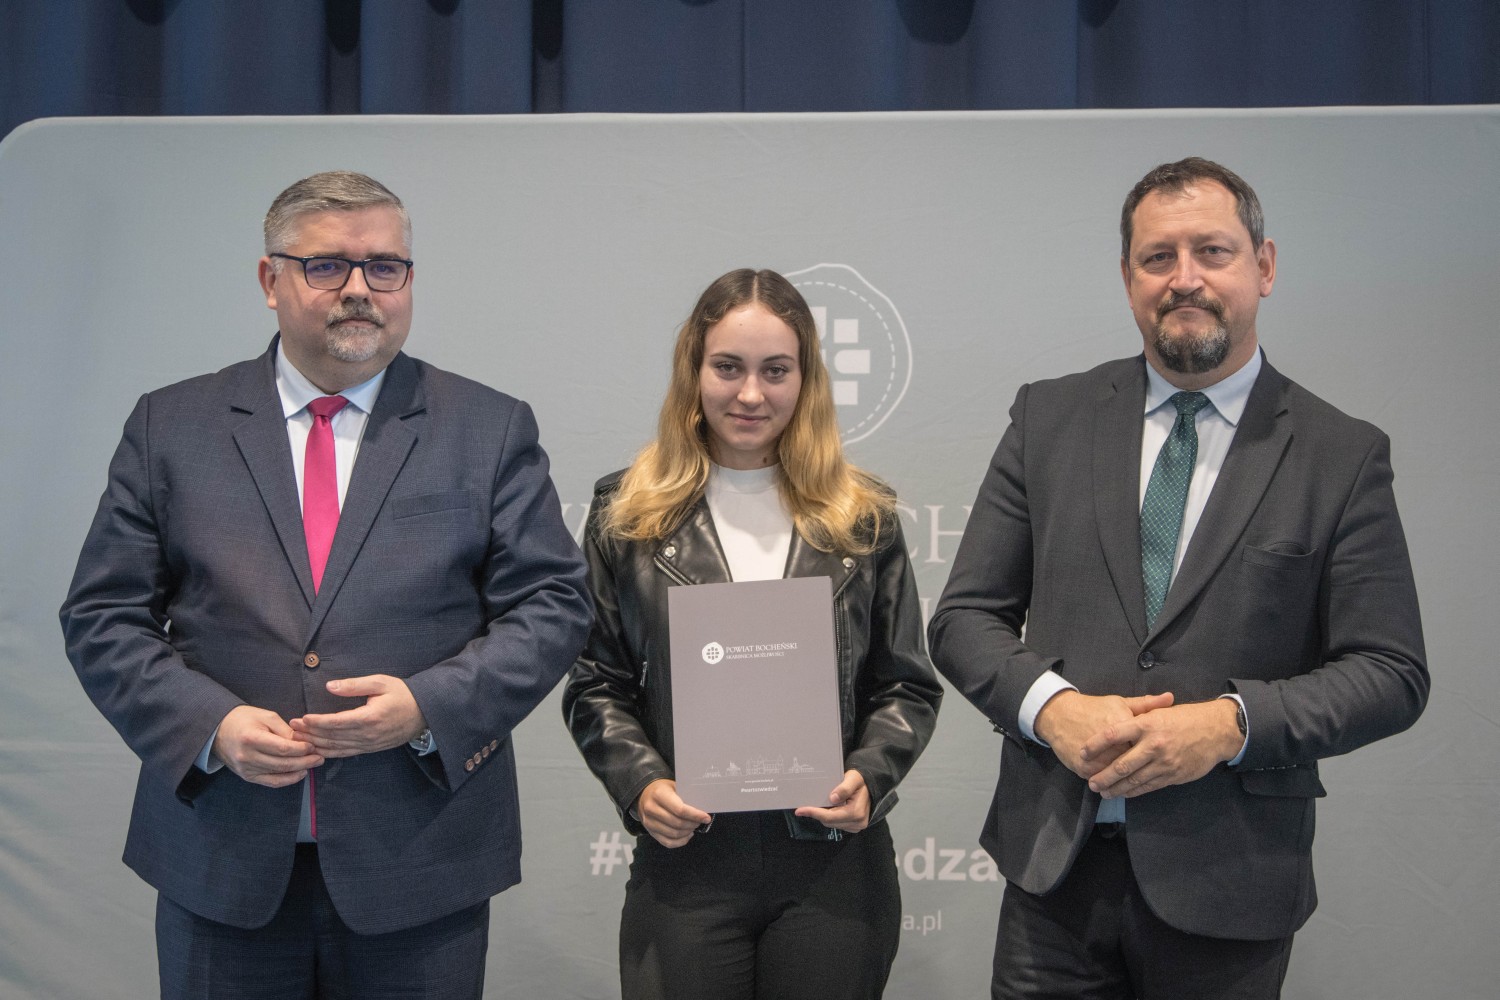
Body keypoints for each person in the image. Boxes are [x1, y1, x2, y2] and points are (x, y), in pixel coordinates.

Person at [59, 170, 592, 999]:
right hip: (222, 860)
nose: (359, 289)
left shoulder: (487, 427)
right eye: (327, 266)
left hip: (418, 865)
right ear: (270, 279)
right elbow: (103, 616)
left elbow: (553, 605)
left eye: (385, 266)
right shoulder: (172, 426)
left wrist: (428, 707)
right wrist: (211, 724)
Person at [928, 157, 1428, 999]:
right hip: (1053, 879)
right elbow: (964, 619)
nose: (1184, 278)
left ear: (1264, 266)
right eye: (1157, 257)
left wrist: (1230, 725)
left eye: (1212, 252)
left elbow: (1391, 672)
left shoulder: (1340, 454)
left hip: (1229, 885)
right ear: (1128, 276)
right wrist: (1054, 709)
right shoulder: (1047, 418)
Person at [563, 268, 942, 1000]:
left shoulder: (863, 517)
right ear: (693, 371)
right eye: (728, 367)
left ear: (806, 379)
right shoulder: (626, 513)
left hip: (833, 862)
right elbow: (594, 682)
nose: (750, 394)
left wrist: (870, 775)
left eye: (775, 370)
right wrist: (641, 784)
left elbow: (905, 683)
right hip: (688, 858)